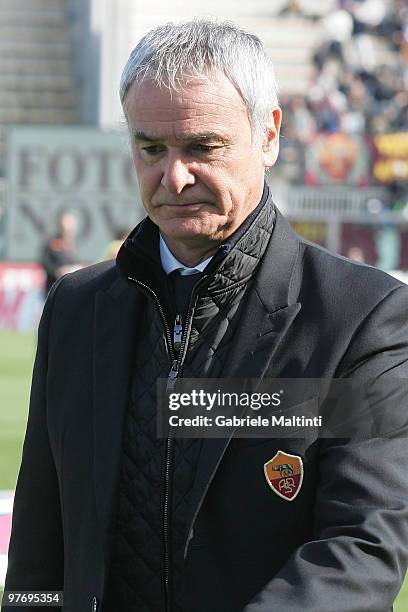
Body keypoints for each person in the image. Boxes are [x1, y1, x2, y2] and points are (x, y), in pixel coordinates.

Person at [3, 19, 408, 612]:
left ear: (268, 134)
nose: (174, 177)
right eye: (151, 149)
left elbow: (360, 546)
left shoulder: (360, 320)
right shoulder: (75, 309)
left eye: (202, 147)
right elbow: (40, 550)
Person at [41, 212, 83, 294]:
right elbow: (46, 264)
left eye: (71, 229)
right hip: (54, 288)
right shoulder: (53, 243)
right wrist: (57, 271)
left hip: (69, 289)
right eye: (66, 229)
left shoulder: (73, 246)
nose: (69, 232)